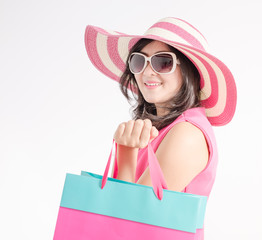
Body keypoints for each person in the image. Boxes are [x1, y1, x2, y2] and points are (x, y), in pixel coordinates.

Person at [84, 16, 237, 237]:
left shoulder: (187, 134)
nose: (147, 72)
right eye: (139, 61)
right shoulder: (163, 129)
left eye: (163, 62)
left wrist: (126, 155)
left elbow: (130, 223)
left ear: (189, 71)